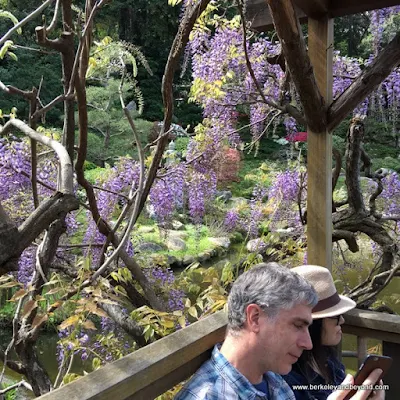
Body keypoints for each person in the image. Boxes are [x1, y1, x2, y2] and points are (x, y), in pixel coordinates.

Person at [175, 263, 385, 400]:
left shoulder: (273, 381)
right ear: (255, 318)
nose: (308, 343)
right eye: (297, 325)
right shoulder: (208, 396)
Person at [283, 265, 378, 400]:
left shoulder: (327, 360)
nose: (342, 321)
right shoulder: (285, 375)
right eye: (335, 316)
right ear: (312, 323)